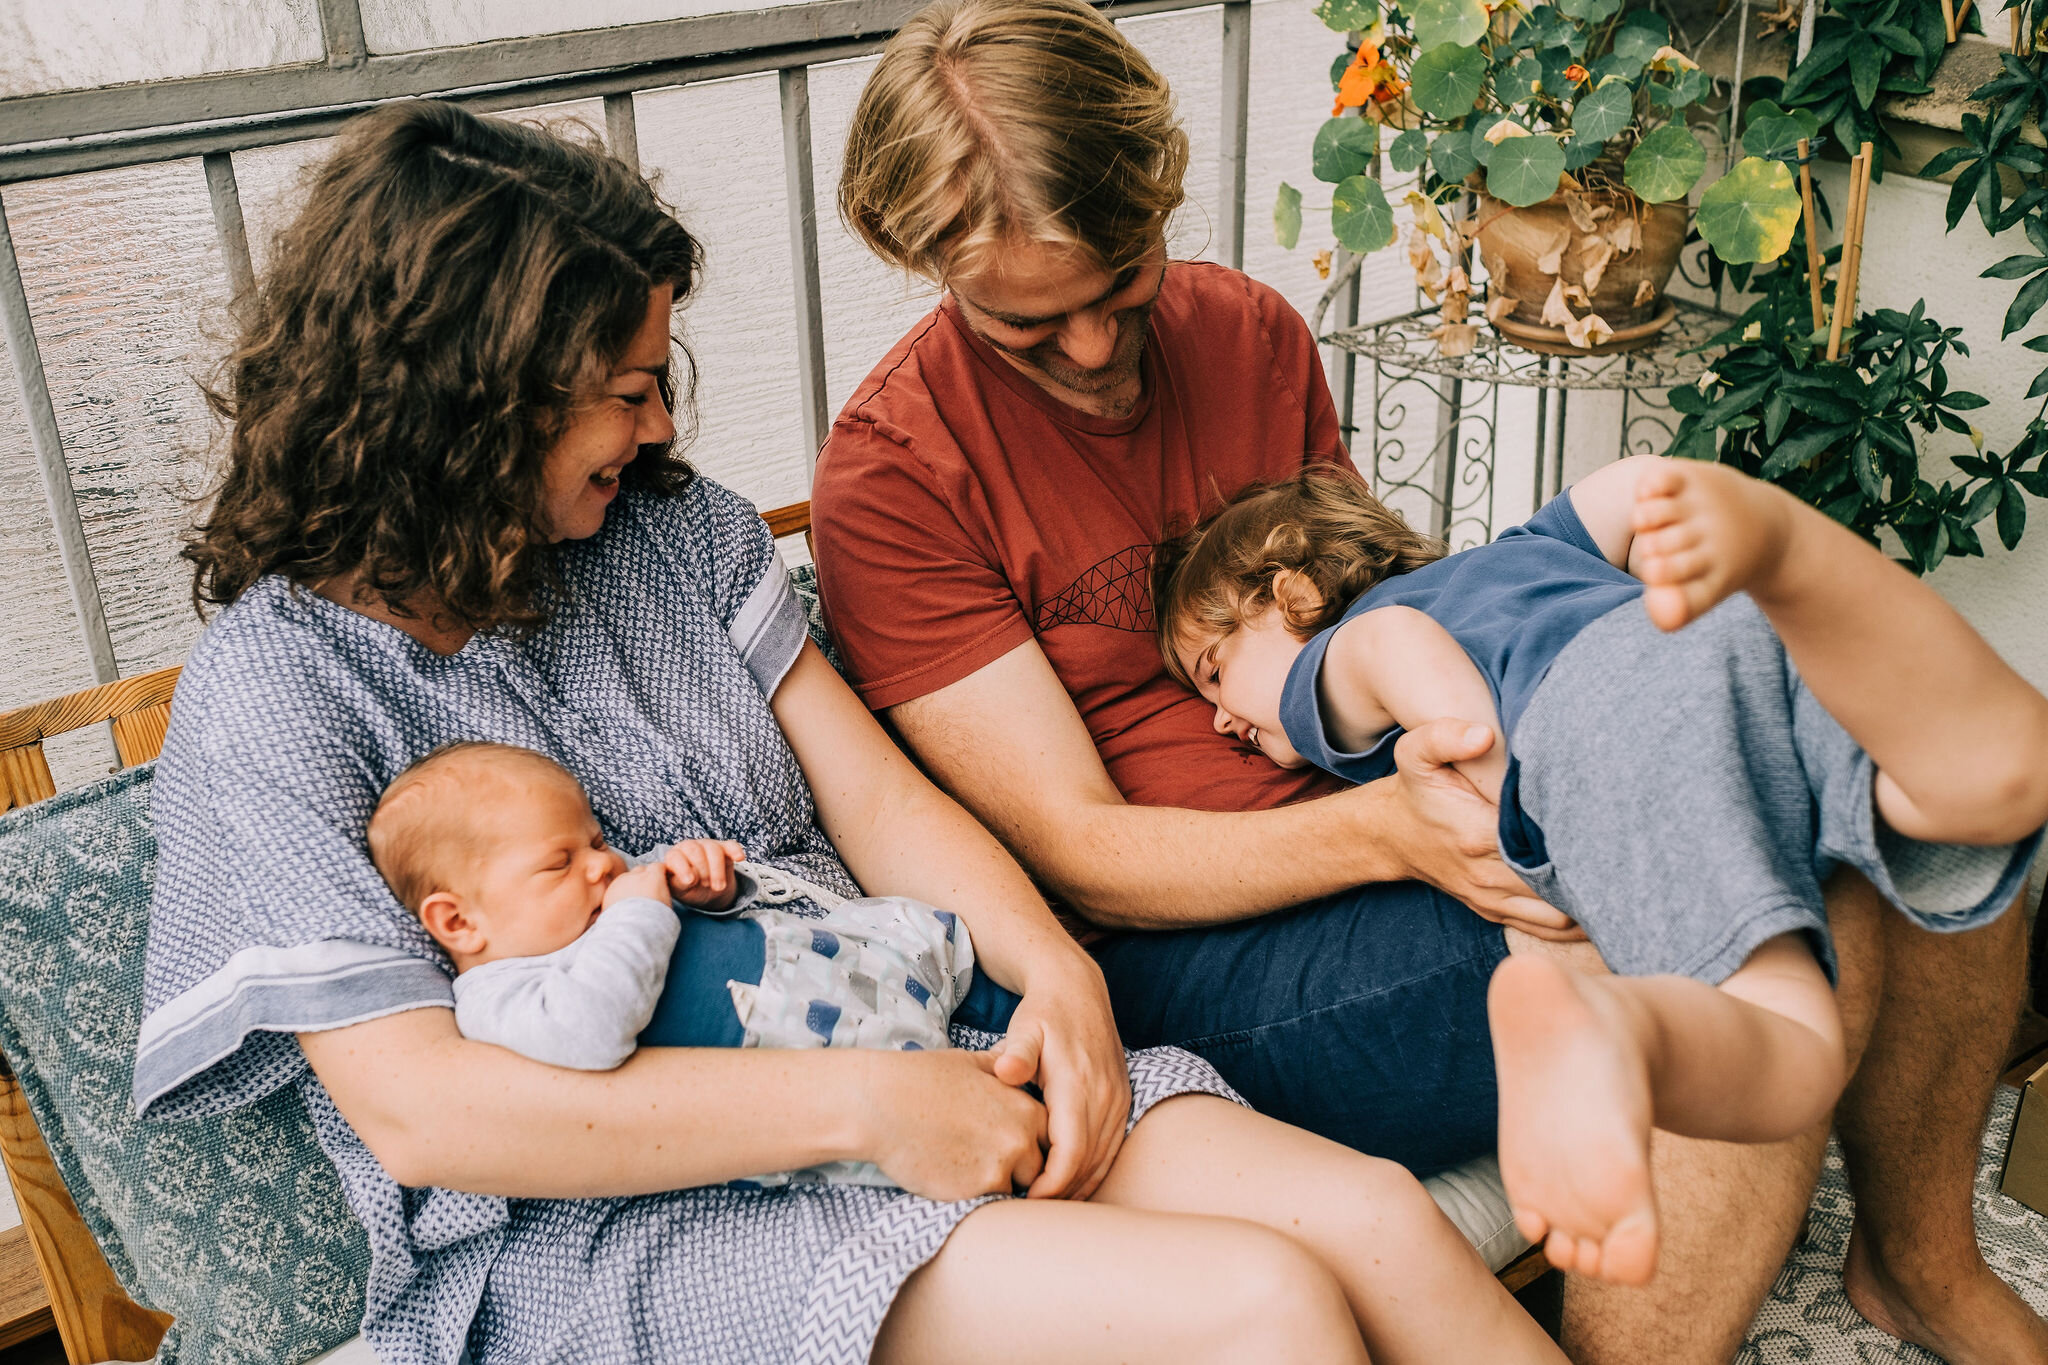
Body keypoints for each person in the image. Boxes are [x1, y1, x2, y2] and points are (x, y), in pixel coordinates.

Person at [131, 99, 1566, 1365]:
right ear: (467, 403)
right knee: (1258, 1305)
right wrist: (869, 1110)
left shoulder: (667, 538)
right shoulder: (276, 691)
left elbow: (882, 807)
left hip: (935, 1034)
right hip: (633, 1212)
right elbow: (426, 1115)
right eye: (625, 391)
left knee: (1375, 1222)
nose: (655, 424)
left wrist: (1054, 971)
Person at [811, 0, 2048, 1359]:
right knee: (1753, 874)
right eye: (1028, 328)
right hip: (1192, 961)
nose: (1098, 354)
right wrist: (1390, 829)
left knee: (1875, 766)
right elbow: (1081, 855)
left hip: (1396, 811)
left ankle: (1919, 1260)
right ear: (924, 264)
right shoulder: (894, 479)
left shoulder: (1246, 331)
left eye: (1123, 288)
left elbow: (1368, 593)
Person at [1153, 456, 2046, 1284]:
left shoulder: (1327, 657)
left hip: (1604, 723)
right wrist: (1685, 503)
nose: (1221, 721)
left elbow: (1390, 644)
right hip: (1729, 642)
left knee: (1793, 1048)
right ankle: (1791, 554)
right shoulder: (1523, 553)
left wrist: (1514, 806)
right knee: (1993, 792)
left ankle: (1625, 1030)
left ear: (1291, 594)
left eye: (1214, 672)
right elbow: (1630, 488)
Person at [370, 740, 981, 1187]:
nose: (600, 865)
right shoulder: (497, 999)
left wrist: (704, 885)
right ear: (458, 922)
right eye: (560, 862)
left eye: (596, 841)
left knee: (943, 941)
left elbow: (663, 885)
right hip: (823, 1060)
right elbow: (593, 1030)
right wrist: (639, 913)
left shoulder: (606, 895)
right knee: (961, 1125)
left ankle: (1017, 1010)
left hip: (854, 959)